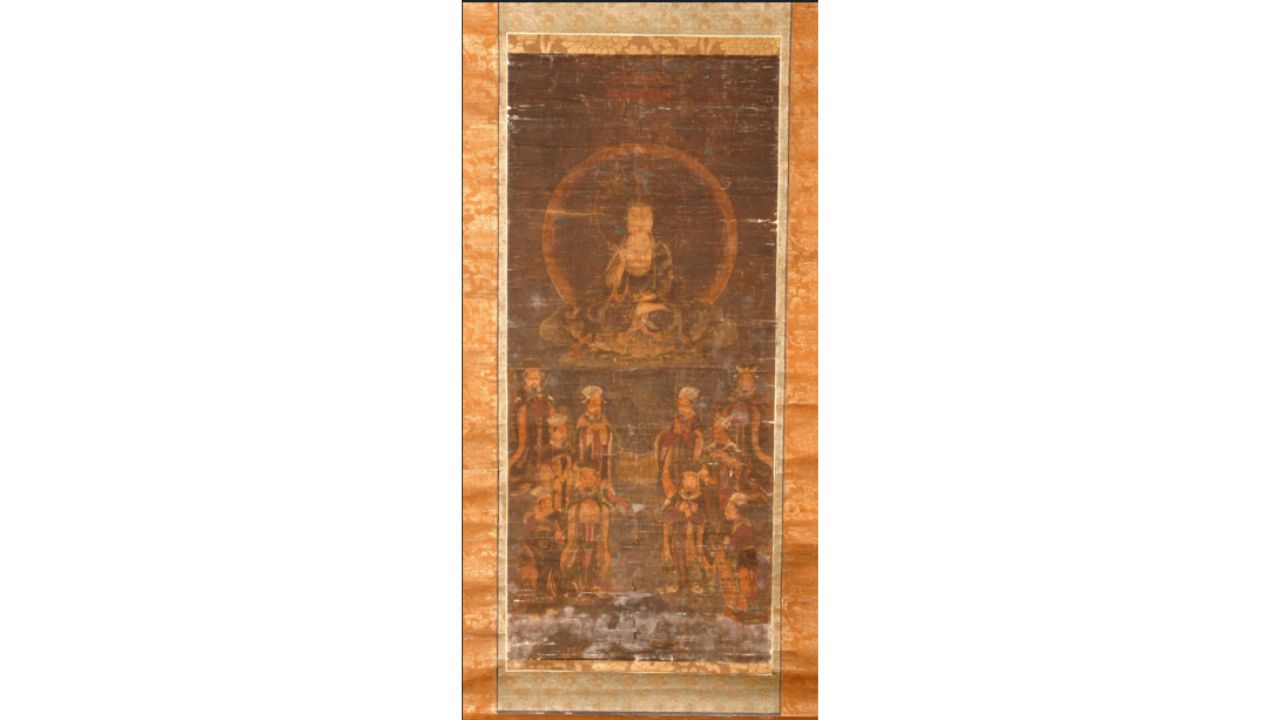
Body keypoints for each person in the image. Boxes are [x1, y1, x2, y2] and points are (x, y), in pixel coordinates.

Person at [559, 466, 625, 595]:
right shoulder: (574, 496)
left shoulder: (601, 496)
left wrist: (609, 496)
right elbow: (566, 513)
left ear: (596, 479)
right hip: (578, 536)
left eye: (591, 478)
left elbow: (615, 510)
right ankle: (576, 584)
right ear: (580, 479)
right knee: (577, 560)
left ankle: (593, 584)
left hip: (597, 537)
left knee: (596, 561)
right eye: (585, 477)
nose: (588, 481)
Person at [713, 365, 772, 496]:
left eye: (749, 379)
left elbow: (764, 420)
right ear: (738, 381)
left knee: (758, 468)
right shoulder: (730, 400)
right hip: (732, 440)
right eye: (742, 379)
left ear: (754, 382)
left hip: (754, 442)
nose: (745, 382)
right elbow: (720, 419)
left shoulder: (759, 401)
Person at [662, 466, 713, 595]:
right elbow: (667, 516)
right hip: (677, 534)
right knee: (676, 558)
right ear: (682, 482)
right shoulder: (677, 496)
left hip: (695, 537)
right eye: (686, 480)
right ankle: (677, 582)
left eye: (692, 480)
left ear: (697, 482)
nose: (689, 483)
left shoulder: (701, 497)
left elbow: (705, 518)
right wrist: (679, 510)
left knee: (694, 559)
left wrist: (691, 514)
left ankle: (696, 582)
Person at [654, 386, 704, 500]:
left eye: (684, 405)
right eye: (679, 405)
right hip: (673, 452)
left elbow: (698, 437)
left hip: (687, 455)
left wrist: (683, 434)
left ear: (692, 406)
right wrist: (671, 434)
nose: (681, 409)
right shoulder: (678, 418)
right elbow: (670, 433)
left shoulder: (695, 420)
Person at [509, 369, 556, 485]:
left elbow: (552, 405)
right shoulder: (521, 393)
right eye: (531, 379)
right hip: (527, 425)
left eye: (536, 379)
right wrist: (529, 399)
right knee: (526, 449)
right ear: (525, 379)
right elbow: (518, 406)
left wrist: (543, 398)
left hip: (543, 425)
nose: (534, 382)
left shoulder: (545, 393)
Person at [716, 492, 758, 617]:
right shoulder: (736, 523)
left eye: (729, 508)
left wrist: (729, 541)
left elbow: (736, 542)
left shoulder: (744, 524)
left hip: (746, 557)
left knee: (746, 583)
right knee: (742, 582)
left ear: (737, 510)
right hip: (742, 556)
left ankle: (748, 609)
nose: (726, 511)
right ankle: (742, 607)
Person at [520, 487, 563, 599]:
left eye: (550, 502)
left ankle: (555, 590)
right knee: (545, 562)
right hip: (536, 548)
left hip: (550, 546)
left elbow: (557, 530)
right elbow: (528, 537)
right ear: (541, 504)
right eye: (547, 502)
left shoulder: (552, 518)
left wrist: (558, 534)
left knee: (556, 558)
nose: (550, 505)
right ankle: (541, 591)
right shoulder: (532, 518)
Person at [575, 386, 614, 486]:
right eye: (593, 404)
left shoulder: (604, 419)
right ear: (587, 405)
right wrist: (589, 431)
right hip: (587, 460)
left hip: (602, 459)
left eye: (599, 405)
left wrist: (604, 429)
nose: (597, 408)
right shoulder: (582, 420)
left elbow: (612, 437)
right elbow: (577, 442)